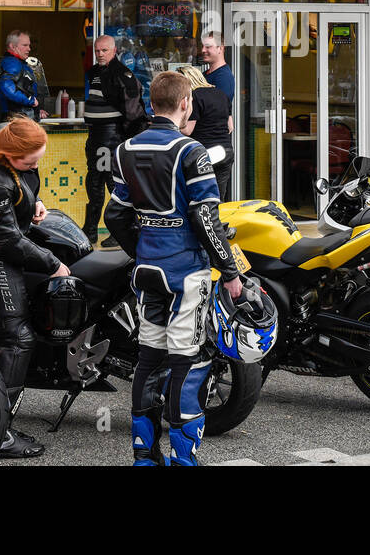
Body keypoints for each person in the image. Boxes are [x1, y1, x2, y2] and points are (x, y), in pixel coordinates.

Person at [104, 71, 243, 466]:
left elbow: (115, 214)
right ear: (186, 105)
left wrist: (141, 249)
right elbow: (206, 219)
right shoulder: (192, 151)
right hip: (185, 272)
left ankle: (145, 457)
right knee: (189, 362)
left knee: (149, 358)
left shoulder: (124, 149)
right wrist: (230, 274)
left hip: (147, 269)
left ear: (151, 104)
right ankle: (184, 460)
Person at [0, 118, 69, 459]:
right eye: (30, 161)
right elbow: (8, 242)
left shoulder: (5, 139)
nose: (35, 164)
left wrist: (33, 201)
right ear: (10, 154)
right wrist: (52, 263)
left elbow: (22, 183)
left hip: (3, 242)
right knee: (16, 337)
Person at [82, 34, 146, 244]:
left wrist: (127, 139)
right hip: (96, 137)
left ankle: (121, 232)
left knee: (112, 184)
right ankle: (90, 230)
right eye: (97, 50)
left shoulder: (122, 74)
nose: (99, 54)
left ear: (114, 50)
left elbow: (133, 111)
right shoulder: (94, 72)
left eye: (104, 50)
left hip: (112, 139)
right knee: (94, 183)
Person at [180, 65, 233, 201]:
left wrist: (170, 124)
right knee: (218, 198)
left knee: (198, 197)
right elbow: (230, 127)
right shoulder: (220, 94)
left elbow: (187, 130)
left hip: (206, 152)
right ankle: (216, 222)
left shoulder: (195, 96)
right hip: (225, 151)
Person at [0, 30, 49, 119]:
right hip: (13, 119)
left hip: (17, 117)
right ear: (12, 46)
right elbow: (6, 86)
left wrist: (36, 110)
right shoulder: (12, 63)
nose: (29, 49)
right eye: (25, 45)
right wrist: (31, 100)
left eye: (29, 45)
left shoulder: (17, 63)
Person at [199, 32, 234, 103]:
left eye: (208, 46)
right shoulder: (205, 74)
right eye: (202, 46)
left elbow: (219, 109)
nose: (203, 50)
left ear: (220, 48)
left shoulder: (223, 77)